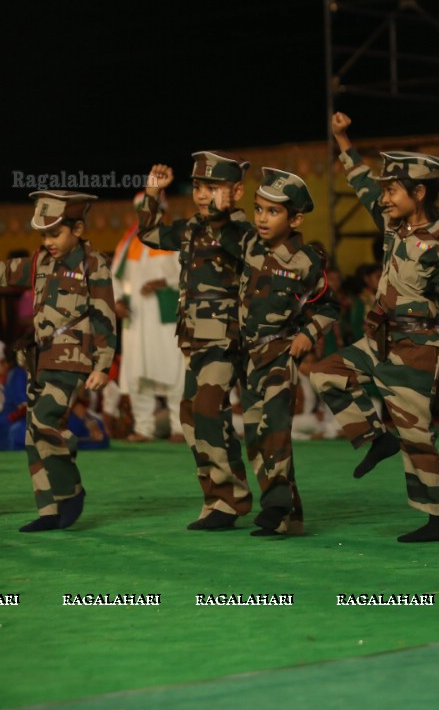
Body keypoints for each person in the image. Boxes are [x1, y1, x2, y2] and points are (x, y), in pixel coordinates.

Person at [309, 113, 439, 543]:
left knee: (416, 434)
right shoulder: (393, 225)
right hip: (379, 337)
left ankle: (437, 519)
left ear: (418, 192)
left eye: (392, 189)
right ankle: (375, 438)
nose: (384, 197)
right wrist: (343, 140)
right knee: (326, 373)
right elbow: (359, 182)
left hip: (417, 344)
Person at [213, 169, 338, 536]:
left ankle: (274, 504)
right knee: (254, 437)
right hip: (247, 358)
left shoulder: (305, 261)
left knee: (276, 431)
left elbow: (328, 307)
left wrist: (308, 334)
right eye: (259, 209)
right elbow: (224, 227)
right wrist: (222, 205)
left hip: (280, 355)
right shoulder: (251, 244)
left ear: (295, 218)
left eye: (273, 212)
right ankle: (289, 518)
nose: (262, 218)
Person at [138, 153, 253, 530]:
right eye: (200, 188)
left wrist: (221, 216)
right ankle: (219, 498)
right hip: (193, 341)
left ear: (236, 191)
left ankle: (228, 497)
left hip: (225, 339)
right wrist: (153, 193)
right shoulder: (190, 228)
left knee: (206, 410)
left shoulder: (242, 232)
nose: (204, 196)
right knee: (193, 416)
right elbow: (149, 233)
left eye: (214, 188)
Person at [0, 191, 117, 531]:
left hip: (73, 357)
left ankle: (71, 491)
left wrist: (103, 364)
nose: (48, 241)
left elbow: (105, 316)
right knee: (32, 436)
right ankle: (49, 510)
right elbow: (6, 272)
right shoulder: (40, 261)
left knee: (44, 420)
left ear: (77, 228)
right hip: (39, 358)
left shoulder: (93, 263)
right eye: (43, 234)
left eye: (55, 233)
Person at [112, 193, 185, 442]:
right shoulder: (127, 243)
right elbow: (115, 278)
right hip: (135, 318)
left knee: (173, 369)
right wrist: (118, 300)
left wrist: (163, 282)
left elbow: (188, 273)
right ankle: (144, 428)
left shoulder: (174, 237)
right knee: (137, 372)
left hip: (165, 315)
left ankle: (178, 427)